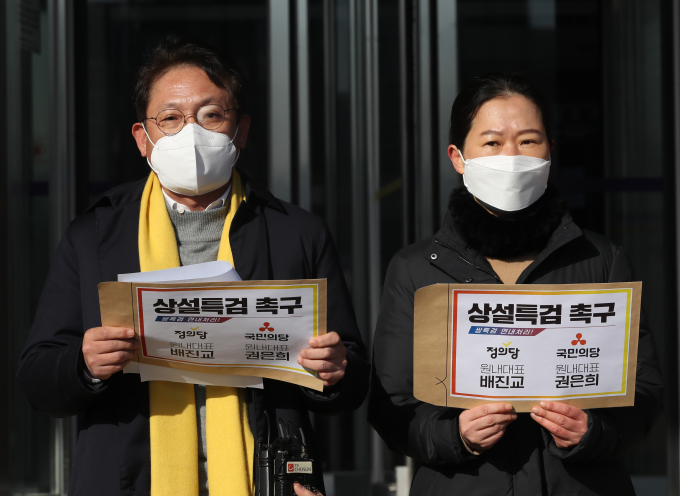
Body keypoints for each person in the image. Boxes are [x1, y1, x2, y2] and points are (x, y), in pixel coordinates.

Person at [17, 37, 368, 496]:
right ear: (143, 139)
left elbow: (354, 377)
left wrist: (334, 369)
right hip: (129, 481)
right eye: (171, 119)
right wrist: (84, 365)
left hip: (268, 480)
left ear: (239, 132)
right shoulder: (95, 237)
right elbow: (37, 377)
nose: (192, 134)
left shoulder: (295, 233)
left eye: (211, 115)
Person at [368, 73, 663, 495]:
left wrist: (593, 433)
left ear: (549, 153)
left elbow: (645, 390)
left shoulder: (601, 260)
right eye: (491, 142)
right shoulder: (416, 268)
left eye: (528, 141)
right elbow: (391, 404)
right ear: (458, 156)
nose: (512, 155)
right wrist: (457, 436)